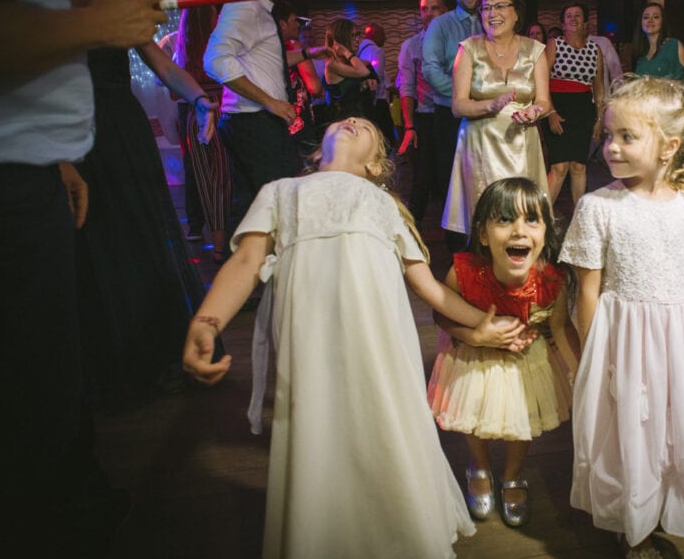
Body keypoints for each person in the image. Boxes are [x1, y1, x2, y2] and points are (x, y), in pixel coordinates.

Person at [182, 117, 535, 557]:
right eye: (345, 121)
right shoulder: (281, 192)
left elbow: (427, 285)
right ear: (315, 154)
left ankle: (399, 528)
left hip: (377, 339)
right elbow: (246, 261)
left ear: (374, 166)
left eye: (366, 127)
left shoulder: (382, 203)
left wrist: (479, 325)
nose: (351, 121)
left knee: (384, 417)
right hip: (310, 338)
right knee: (318, 425)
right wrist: (209, 320)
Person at [0, 0, 168, 555]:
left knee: (45, 348)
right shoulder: (66, 7)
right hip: (4, 173)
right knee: (26, 360)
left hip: (51, 155)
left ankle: (67, 497)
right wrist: (93, 25)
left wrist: (53, 153)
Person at [35, 0, 219, 406]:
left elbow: (162, 65)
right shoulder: (34, 10)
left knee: (142, 238)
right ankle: (107, 365)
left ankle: (158, 354)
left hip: (123, 130)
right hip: (71, 137)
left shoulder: (113, 8)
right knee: (92, 246)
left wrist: (200, 99)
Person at [560, 76, 684, 558]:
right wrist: (597, 354)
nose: (610, 147)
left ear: (669, 147)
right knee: (626, 430)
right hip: (622, 339)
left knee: (669, 426)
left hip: (676, 340)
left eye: (627, 137)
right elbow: (587, 291)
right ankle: (630, 524)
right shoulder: (598, 207)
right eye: (608, 135)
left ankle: (660, 506)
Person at [428, 177, 579, 528]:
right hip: (471, 356)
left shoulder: (553, 280)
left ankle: (512, 474)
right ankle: (478, 466)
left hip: (527, 362)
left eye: (531, 220)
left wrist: (582, 374)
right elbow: (441, 314)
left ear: (545, 231)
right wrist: (474, 336)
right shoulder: (463, 271)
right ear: (483, 234)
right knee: (473, 414)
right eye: (504, 220)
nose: (518, 231)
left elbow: (560, 328)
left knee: (520, 420)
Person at [204, 0, 324, 232]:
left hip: (250, 121)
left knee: (254, 206)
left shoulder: (260, 7)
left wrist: (311, 53)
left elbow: (266, 60)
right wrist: (269, 101)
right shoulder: (246, 6)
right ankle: (274, 274)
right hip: (254, 122)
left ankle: (250, 274)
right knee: (276, 205)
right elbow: (214, 60)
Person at [442, 0, 552, 239]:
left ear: (517, 12)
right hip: (481, 144)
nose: (492, 14)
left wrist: (534, 112)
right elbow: (458, 105)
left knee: (520, 216)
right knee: (485, 218)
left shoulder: (535, 50)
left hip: (522, 145)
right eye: (486, 8)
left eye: (500, 6)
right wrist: (489, 105)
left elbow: (545, 101)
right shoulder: (469, 49)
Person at [423, 0, 483, 250]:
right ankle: (458, 255)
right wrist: (465, 96)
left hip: (487, 118)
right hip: (450, 116)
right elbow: (431, 70)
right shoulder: (441, 25)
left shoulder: (492, 20)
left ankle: (485, 247)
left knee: (486, 179)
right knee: (453, 185)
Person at [171, 5, 232, 263]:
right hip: (219, 111)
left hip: (195, 118)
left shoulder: (182, 52)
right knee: (225, 181)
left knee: (207, 185)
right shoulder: (220, 45)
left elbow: (175, 93)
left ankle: (217, 247)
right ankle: (227, 245)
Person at [543, 3, 604, 205]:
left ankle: (580, 222)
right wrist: (550, 111)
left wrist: (599, 119)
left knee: (579, 167)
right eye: (569, 16)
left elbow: (599, 88)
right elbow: (541, 80)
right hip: (558, 107)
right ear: (563, 22)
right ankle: (541, 222)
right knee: (559, 167)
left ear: (585, 21)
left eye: (578, 15)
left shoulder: (595, 50)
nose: (573, 19)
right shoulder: (554, 44)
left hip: (583, 111)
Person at [397, 0, 447, 222]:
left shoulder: (459, 42)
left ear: (445, 10)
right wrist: (409, 126)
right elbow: (406, 88)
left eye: (435, 8)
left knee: (453, 176)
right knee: (422, 178)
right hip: (425, 116)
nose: (429, 13)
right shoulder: (411, 46)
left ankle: (460, 241)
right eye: (424, 9)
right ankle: (410, 233)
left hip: (454, 114)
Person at [271, 0, 322, 159]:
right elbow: (315, 87)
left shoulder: (267, 50)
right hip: (299, 122)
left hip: (277, 121)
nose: (298, 25)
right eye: (294, 20)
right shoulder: (295, 47)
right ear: (283, 24)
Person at [323, 18, 380, 127]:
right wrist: (345, 51)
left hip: (359, 118)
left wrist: (364, 85)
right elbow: (363, 72)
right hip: (343, 122)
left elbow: (350, 92)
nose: (357, 40)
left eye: (358, 35)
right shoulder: (332, 64)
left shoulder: (352, 64)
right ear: (341, 39)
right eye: (353, 36)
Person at [632, 2, 684, 87]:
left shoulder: (673, 45)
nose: (650, 20)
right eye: (646, 17)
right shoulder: (642, 56)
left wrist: (656, 83)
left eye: (656, 17)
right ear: (641, 22)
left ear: (662, 21)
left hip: (669, 100)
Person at [358, 21, 397, 146]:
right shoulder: (377, 51)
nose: (385, 38)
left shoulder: (359, 51)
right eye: (383, 34)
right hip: (377, 102)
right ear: (375, 35)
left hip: (363, 102)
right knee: (386, 139)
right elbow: (378, 78)